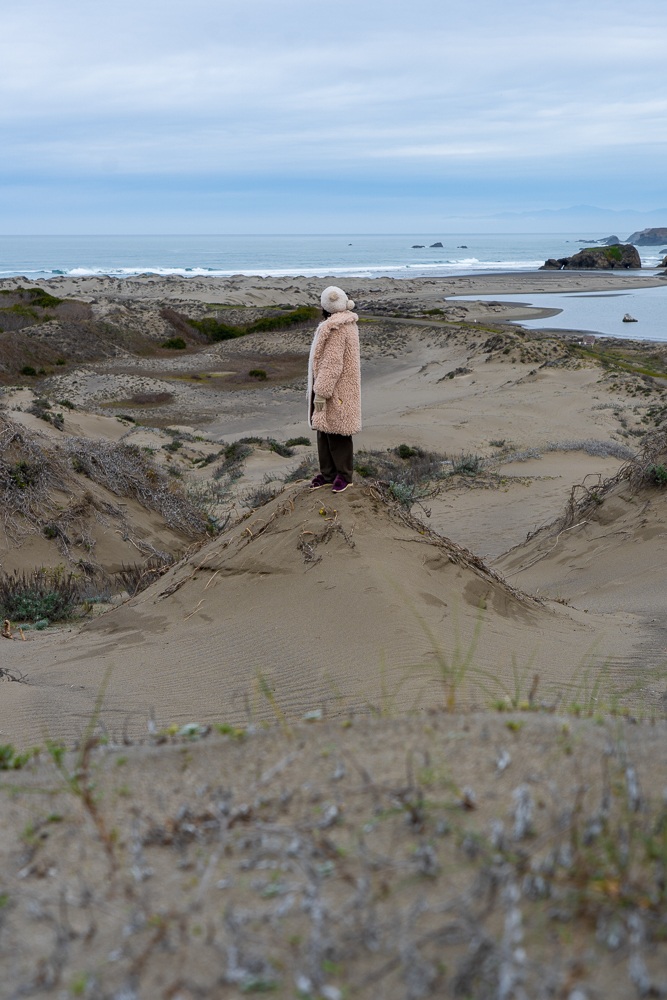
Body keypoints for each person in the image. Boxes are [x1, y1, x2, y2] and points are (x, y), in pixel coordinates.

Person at [307, 285, 361, 494]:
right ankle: (328, 474)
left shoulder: (336, 327)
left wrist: (321, 391)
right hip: (331, 386)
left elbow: (332, 363)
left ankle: (344, 476)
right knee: (324, 430)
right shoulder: (341, 323)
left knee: (339, 430)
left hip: (336, 389)